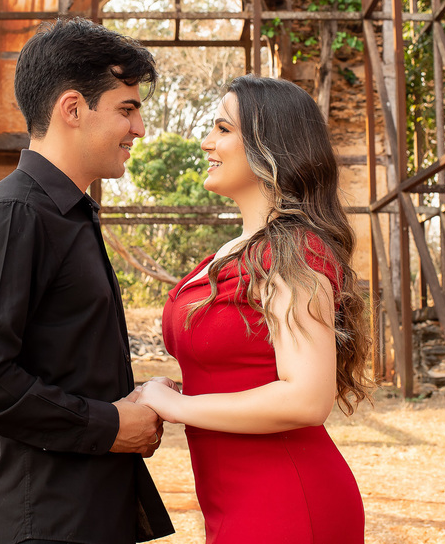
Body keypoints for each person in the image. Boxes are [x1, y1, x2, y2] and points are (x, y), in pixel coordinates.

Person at [0, 18, 174, 544]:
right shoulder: (16, 213)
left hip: (84, 511)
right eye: (126, 110)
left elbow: (57, 361)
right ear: (72, 109)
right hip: (42, 520)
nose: (139, 129)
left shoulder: (69, 213)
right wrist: (107, 426)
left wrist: (120, 402)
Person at [136, 75, 374, 544]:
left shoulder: (293, 251)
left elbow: (307, 398)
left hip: (284, 498)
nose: (207, 141)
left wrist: (179, 405)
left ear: (271, 145)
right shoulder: (232, 251)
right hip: (233, 497)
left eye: (223, 129)